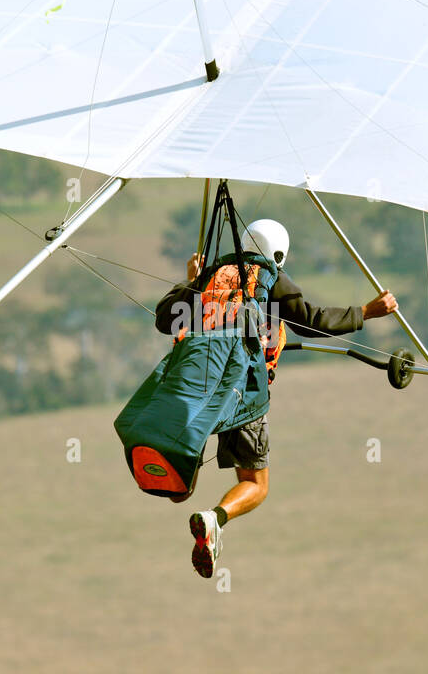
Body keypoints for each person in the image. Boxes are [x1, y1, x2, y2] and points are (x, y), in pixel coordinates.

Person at [153, 218, 399, 578]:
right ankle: (214, 519)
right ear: (278, 254)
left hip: (198, 387)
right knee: (255, 484)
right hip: (243, 392)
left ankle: (179, 477)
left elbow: (165, 320)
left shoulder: (213, 275)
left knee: (178, 491)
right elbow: (310, 321)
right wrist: (365, 312)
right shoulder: (270, 276)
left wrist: (194, 281)